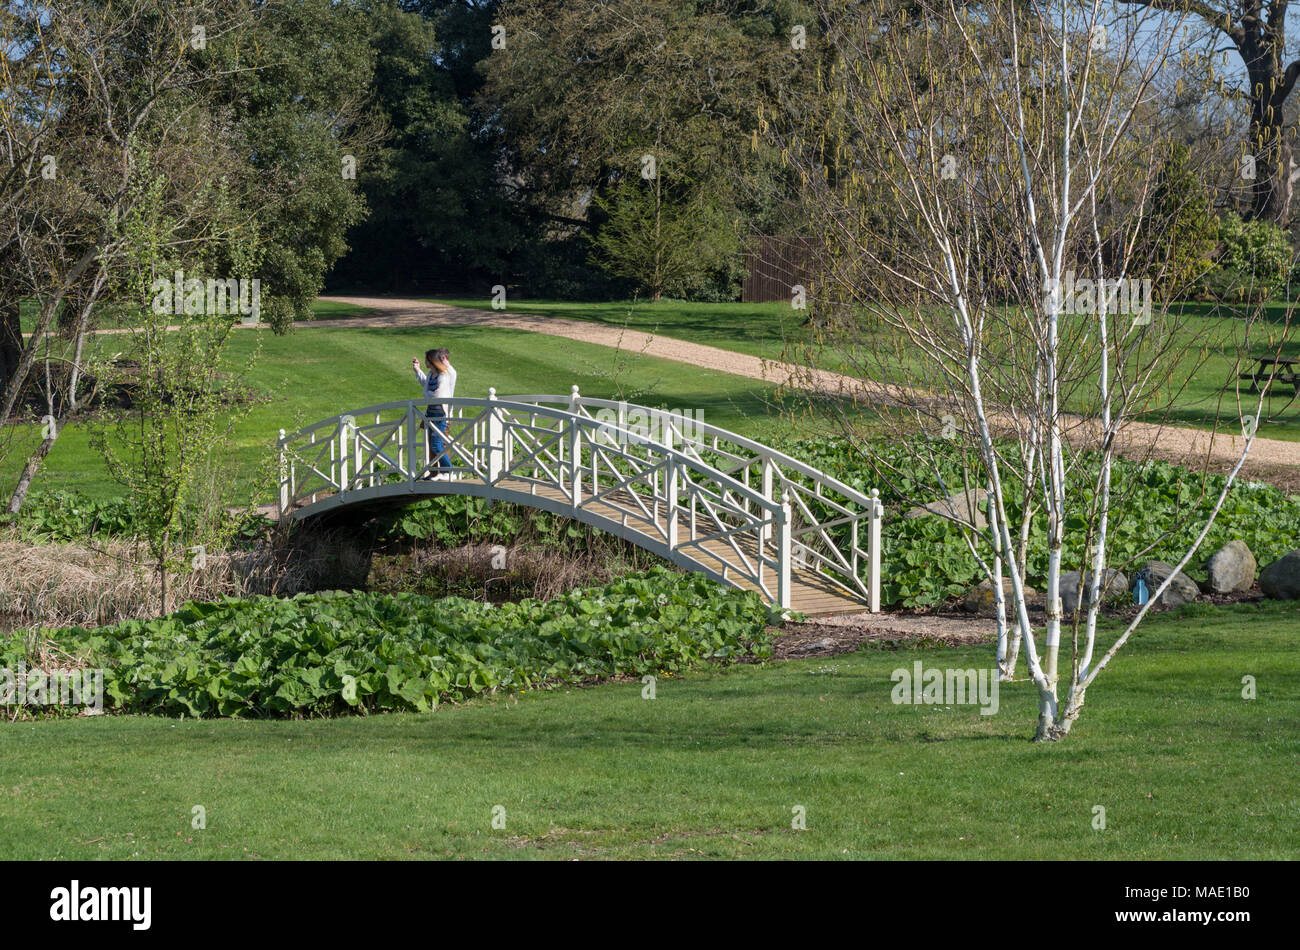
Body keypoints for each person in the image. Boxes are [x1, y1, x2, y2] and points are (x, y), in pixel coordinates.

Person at [412, 347, 457, 476]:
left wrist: (428, 395)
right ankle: (435, 474)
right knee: (433, 446)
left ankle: (446, 472)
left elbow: (436, 394)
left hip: (442, 414)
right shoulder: (432, 374)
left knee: (439, 445)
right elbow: (427, 387)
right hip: (431, 413)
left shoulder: (449, 374)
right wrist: (417, 370)